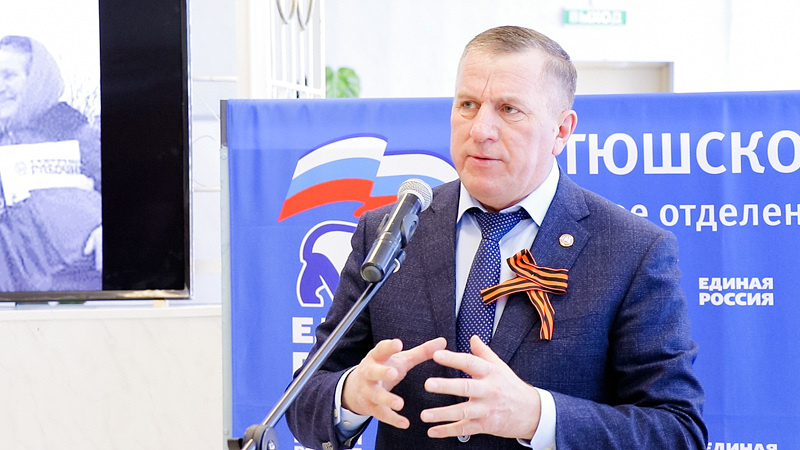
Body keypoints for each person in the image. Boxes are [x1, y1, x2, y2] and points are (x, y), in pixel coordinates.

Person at [286, 26, 707, 449]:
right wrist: (350, 396)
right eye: (467, 105)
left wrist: (537, 416)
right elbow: (303, 399)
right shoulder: (389, 233)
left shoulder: (631, 250)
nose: (480, 129)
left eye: (509, 109)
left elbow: (677, 431)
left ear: (562, 130)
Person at [0, 35, 102, 292]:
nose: (0, 86)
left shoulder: (75, 132)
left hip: (79, 287)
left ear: (35, 80)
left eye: (9, 75)